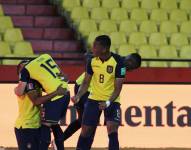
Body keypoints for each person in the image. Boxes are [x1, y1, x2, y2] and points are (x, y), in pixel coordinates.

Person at [62, 52, 141, 142]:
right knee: (91, 121)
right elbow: (89, 55)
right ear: (128, 58)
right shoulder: (114, 59)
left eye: (132, 67)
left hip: (92, 90)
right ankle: (63, 141)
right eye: (130, 63)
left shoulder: (120, 66)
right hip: (85, 88)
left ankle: (59, 140)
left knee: (83, 120)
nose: (130, 67)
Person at [73, 35, 127, 150]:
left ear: (104, 49)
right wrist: (78, 96)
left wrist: (107, 103)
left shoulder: (118, 62)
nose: (92, 48)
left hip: (112, 100)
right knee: (86, 130)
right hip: (94, 99)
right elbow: (86, 82)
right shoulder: (92, 61)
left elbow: (118, 89)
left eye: (95, 46)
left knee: (112, 129)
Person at [14, 54, 70, 150]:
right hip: (26, 127)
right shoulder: (25, 86)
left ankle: (57, 143)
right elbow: (36, 101)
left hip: (36, 125)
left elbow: (64, 78)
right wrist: (56, 92)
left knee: (54, 125)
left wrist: (61, 78)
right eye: (23, 68)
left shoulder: (38, 84)